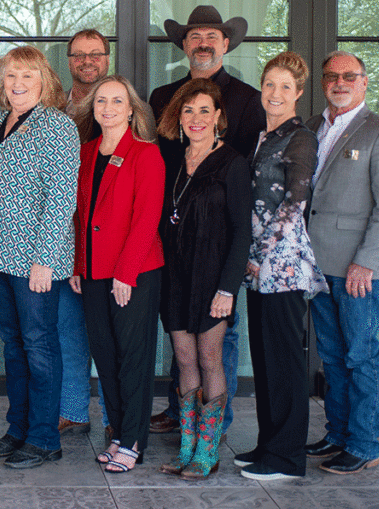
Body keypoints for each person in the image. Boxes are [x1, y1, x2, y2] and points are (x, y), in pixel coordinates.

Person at [148, 4, 266, 439]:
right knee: (182, 352)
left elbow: (249, 185)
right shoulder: (163, 96)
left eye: (211, 37)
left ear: (226, 44)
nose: (202, 44)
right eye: (195, 37)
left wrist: (231, 277)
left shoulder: (246, 99)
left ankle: (214, 436)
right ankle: (185, 424)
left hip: (216, 247)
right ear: (184, 44)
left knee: (215, 348)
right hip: (176, 247)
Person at [0, 46, 80, 469]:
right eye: (12, 75)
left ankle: (43, 438)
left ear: (44, 82)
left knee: (39, 347)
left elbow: (61, 198)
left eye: (28, 76)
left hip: (36, 259)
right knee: (13, 347)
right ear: (2, 81)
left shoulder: (57, 126)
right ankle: (17, 429)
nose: (18, 83)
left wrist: (45, 259)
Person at [304, 50, 379, 475]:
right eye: (332, 76)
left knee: (361, 356)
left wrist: (366, 261)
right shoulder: (313, 128)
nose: (340, 82)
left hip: (355, 270)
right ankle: (338, 434)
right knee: (331, 354)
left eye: (349, 76)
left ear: (364, 82)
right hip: (316, 264)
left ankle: (364, 444)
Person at [232, 52, 327, 481]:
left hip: (282, 264)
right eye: (270, 84)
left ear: (299, 93)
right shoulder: (260, 136)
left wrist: (259, 255)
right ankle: (268, 445)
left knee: (286, 360)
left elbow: (295, 202)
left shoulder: (301, 138)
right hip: (257, 266)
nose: (275, 93)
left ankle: (287, 458)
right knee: (266, 359)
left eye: (285, 87)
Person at [155, 78, 251, 480]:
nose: (196, 119)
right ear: (179, 118)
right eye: (188, 111)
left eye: (204, 111)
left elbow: (243, 232)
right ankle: (187, 448)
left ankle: (208, 452)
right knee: (183, 359)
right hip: (174, 277)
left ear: (219, 118)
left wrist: (228, 289)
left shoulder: (232, 163)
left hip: (214, 279)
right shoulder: (174, 162)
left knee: (210, 357)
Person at [70, 75, 164, 473]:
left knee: (133, 359)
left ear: (131, 110)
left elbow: (146, 220)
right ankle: (119, 436)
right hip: (92, 272)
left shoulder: (146, 154)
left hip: (133, 273)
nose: (108, 108)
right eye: (101, 101)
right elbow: (78, 216)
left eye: (116, 101)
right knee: (106, 357)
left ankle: (134, 440)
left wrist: (125, 274)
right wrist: (77, 265)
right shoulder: (87, 151)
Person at [58, 28, 112, 436]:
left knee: (110, 333)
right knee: (68, 328)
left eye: (95, 54)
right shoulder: (52, 107)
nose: (87, 61)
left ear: (107, 59)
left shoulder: (119, 104)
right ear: (69, 60)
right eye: (79, 55)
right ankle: (74, 411)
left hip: (106, 234)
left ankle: (116, 419)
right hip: (61, 233)